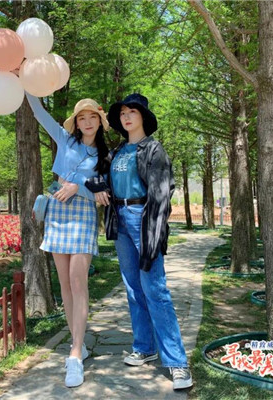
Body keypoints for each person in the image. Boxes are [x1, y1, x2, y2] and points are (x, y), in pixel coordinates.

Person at [87, 93, 193, 390]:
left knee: (155, 289)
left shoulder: (153, 149)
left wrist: (153, 235)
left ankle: (177, 362)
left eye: (132, 111)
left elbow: (161, 194)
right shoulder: (118, 151)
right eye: (122, 113)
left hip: (142, 218)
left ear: (143, 117)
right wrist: (97, 187)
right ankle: (144, 347)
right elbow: (96, 174)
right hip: (120, 219)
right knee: (133, 288)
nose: (126, 116)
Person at [26, 93, 110, 388]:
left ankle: (74, 354)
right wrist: (24, 81)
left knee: (78, 281)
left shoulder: (105, 156)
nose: (87, 122)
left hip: (83, 216)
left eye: (92, 117)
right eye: (82, 118)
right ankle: (78, 342)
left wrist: (78, 186)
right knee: (64, 285)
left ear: (99, 121)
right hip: (57, 213)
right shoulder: (65, 140)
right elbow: (39, 112)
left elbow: (103, 196)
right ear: (75, 122)